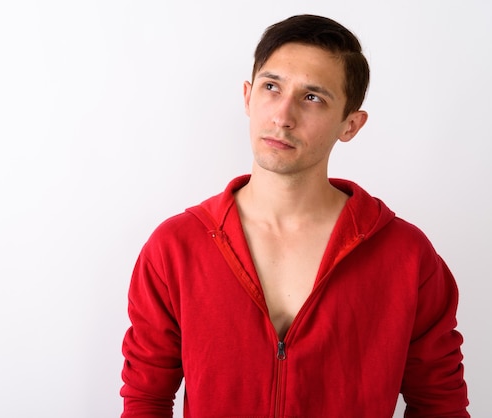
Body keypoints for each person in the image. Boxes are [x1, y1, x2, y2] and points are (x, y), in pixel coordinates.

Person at [120, 14, 469, 417]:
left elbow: (439, 404)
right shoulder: (176, 247)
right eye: (272, 87)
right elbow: (146, 399)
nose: (282, 116)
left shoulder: (406, 256)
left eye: (312, 97)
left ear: (351, 125)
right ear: (248, 96)